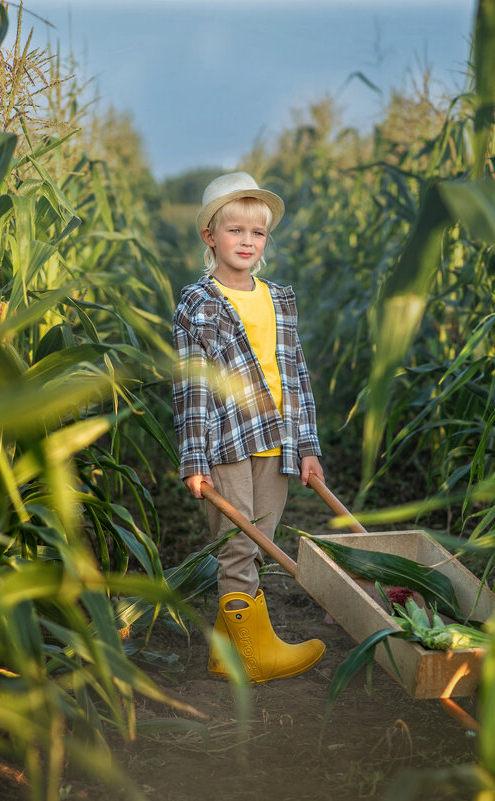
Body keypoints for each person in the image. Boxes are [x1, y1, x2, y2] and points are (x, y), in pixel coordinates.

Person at [172, 172, 326, 683]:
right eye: (234, 230)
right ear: (209, 236)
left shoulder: (278, 298)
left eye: (256, 233)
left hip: (278, 438)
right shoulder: (199, 302)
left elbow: (295, 375)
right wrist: (194, 459)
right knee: (240, 543)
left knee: (262, 537)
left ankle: (225, 652)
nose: (246, 242)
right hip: (228, 439)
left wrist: (307, 446)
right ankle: (256, 657)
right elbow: (192, 387)